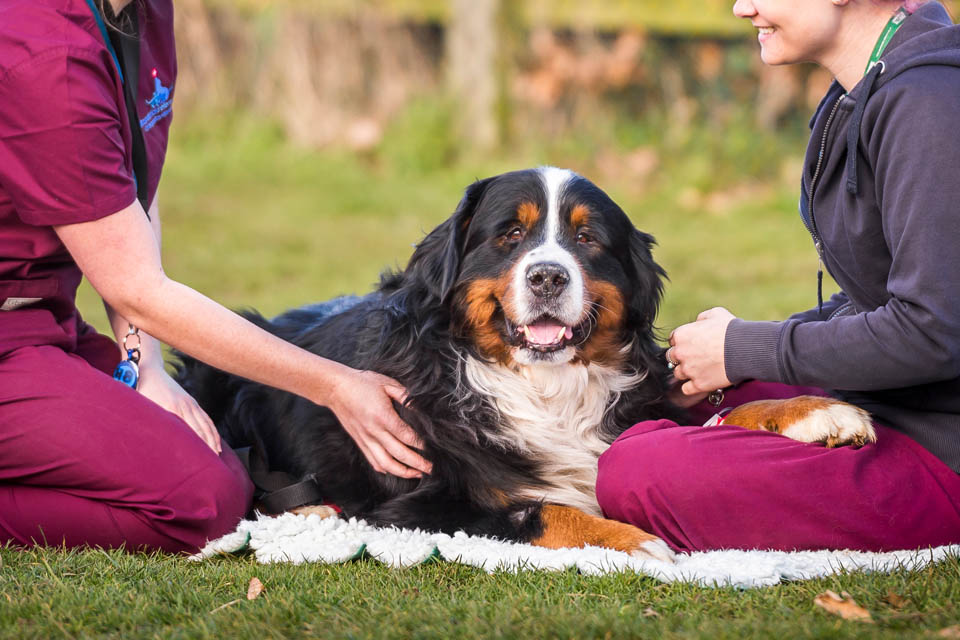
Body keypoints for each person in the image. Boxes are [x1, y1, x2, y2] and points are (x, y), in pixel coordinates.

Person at [0, 0, 430, 554]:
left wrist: (144, 362)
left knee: (220, 466)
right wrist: (336, 385)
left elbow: (132, 189)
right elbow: (139, 289)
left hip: (43, 323)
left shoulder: (143, 12)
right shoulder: (47, 55)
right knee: (199, 506)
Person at [596, 0, 960, 552]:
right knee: (682, 402)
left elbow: (934, 329)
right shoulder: (864, 90)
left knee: (635, 470)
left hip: (939, 454)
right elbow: (878, 294)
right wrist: (735, 356)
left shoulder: (929, 106)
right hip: (889, 401)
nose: (743, 8)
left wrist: (748, 348)